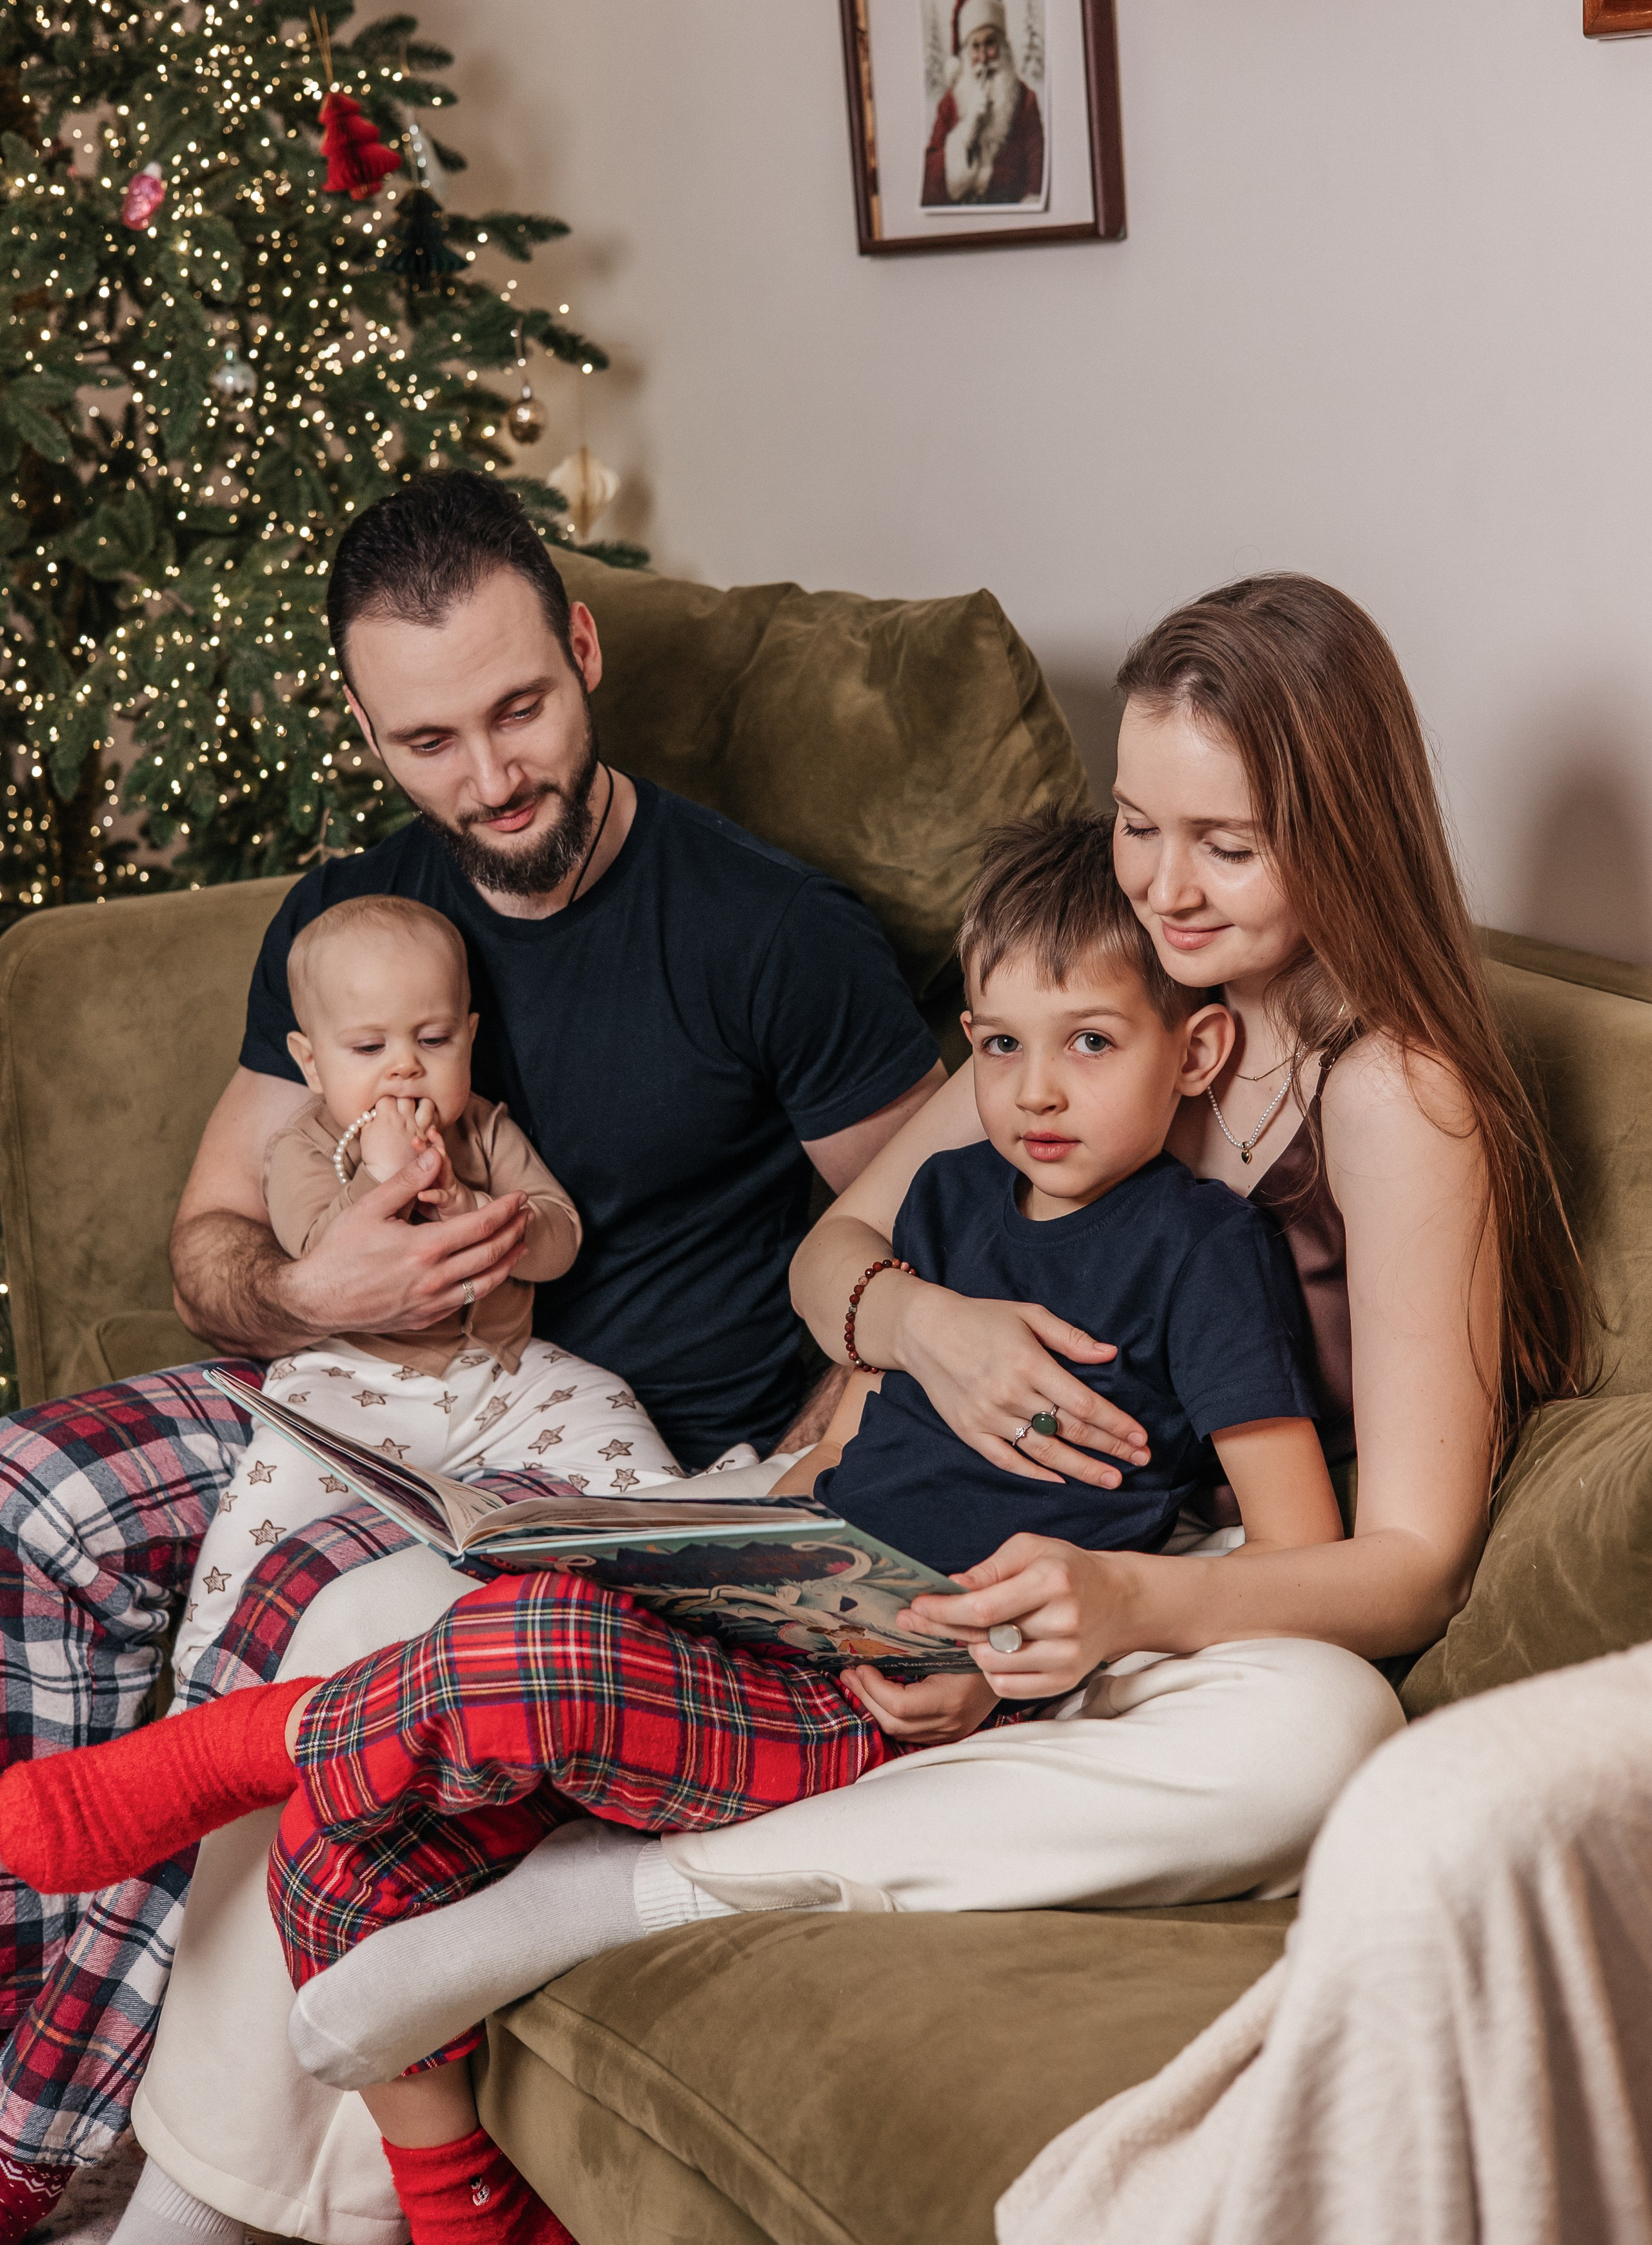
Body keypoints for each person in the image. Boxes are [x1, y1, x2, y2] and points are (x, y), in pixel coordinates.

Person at [68, 573, 1593, 2245]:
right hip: (890, 1512)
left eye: (1221, 844)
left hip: (1170, 1564)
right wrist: (927, 1328)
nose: (1163, 885)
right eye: (1142, 823)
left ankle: (637, 1887)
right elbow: (840, 1246)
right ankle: (206, 2203)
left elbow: (1413, 1567)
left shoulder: (1394, 1092)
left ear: (1341, 825)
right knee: (379, 1607)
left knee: (1320, 1742)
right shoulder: (1080, 994)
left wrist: (1128, 1601)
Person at [1, 812, 1347, 2245]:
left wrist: (1022, 1661)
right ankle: (460, 2213)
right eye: (999, 1045)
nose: (1034, 1091)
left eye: (1089, 1043)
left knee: (529, 1652)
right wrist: (769, 1502)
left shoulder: (1200, 1253)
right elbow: (841, 1338)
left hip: (901, 1683)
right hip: (793, 1585)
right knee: (343, 1849)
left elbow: (1289, 1553)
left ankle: (214, 1754)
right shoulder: (950, 1198)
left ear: (1191, 1054)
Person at [0, 473, 945, 2235]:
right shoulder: (357, 917)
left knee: (288, 1620)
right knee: (26, 1496)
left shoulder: (768, 935)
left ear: (584, 650)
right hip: (338, 1386)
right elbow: (212, 1245)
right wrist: (316, 1293)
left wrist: (813, 1466)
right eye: (430, 739)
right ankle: (24, 2086)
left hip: (568, 1454)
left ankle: (82, 2149)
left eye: (521, 709)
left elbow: (923, 1217)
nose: (492, 777)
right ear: (370, 729)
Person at [174, 891, 679, 1687]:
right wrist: (382, 1173)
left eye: (433, 1039)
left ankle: (693, 1556)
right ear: (312, 1063)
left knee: (609, 1404)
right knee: (262, 1504)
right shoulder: (305, 1145)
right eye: (368, 1046)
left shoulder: (481, 1128)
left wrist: (480, 1211)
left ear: (469, 1038)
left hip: (502, 1374)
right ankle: (209, 1686)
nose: (404, 1067)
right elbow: (316, 1249)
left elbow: (560, 1235)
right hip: (353, 1380)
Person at [996, 1640, 1652, 2245]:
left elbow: (1407, 1562)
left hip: (1161, 1676)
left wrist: (1104, 1609)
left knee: (1331, 1736)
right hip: (1006, 1690)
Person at [921, 0, 1046, 208]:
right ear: (966, 55)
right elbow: (929, 183)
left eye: (990, 44)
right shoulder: (950, 103)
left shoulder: (1026, 100)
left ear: (1003, 47)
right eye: (975, 47)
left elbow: (1037, 175)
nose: (983, 57)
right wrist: (967, 130)